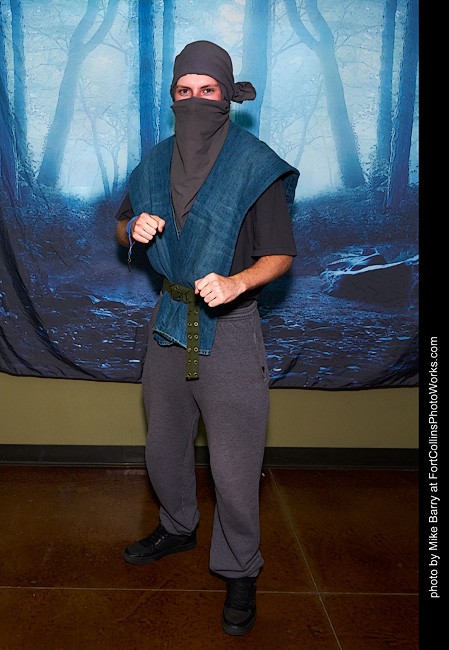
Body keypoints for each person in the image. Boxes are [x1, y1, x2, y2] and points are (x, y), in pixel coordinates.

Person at [115, 40, 299, 636]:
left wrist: (237, 282)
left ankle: (240, 568)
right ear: (173, 97)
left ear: (226, 96)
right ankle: (176, 527)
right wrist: (132, 227)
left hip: (231, 327)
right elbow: (119, 223)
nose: (195, 99)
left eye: (208, 90)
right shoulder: (155, 161)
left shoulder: (254, 165)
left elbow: (281, 254)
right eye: (184, 90)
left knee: (235, 465)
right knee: (164, 446)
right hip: (169, 320)